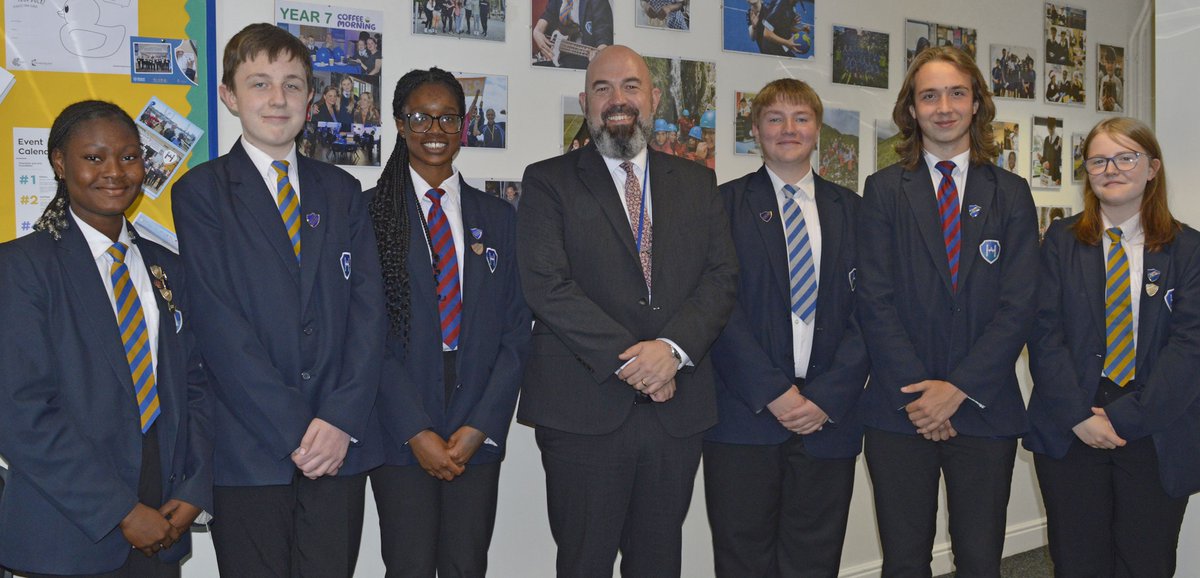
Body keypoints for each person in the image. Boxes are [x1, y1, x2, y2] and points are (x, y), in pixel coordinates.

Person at [171, 23, 387, 578]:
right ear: (229, 96)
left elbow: (369, 313)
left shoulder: (341, 191)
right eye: (260, 83)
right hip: (250, 452)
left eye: (293, 85)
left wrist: (337, 420)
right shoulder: (200, 194)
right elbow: (219, 326)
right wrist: (297, 431)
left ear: (310, 100)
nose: (277, 99)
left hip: (339, 448)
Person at [516, 45, 738, 577]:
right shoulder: (549, 181)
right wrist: (638, 363)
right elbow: (547, 287)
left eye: (631, 86)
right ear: (584, 101)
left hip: (675, 415)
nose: (618, 100)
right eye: (602, 88)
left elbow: (721, 278)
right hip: (583, 413)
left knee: (659, 562)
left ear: (654, 97)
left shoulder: (698, 183)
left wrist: (673, 352)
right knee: (584, 562)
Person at [0, 100, 211, 577]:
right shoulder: (21, 268)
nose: (115, 172)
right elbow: (21, 413)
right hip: (67, 534)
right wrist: (121, 510)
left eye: (130, 156)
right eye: (94, 158)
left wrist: (193, 490)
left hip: (162, 525)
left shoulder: (168, 268)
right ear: (59, 162)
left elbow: (195, 385)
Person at [857, 45, 1038, 576]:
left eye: (957, 93)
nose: (943, 107)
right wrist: (923, 395)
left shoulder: (1012, 193)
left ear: (976, 103)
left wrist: (956, 390)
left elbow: (1019, 305)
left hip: (984, 408)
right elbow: (874, 299)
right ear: (911, 110)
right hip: (901, 410)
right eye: (929, 95)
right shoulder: (884, 191)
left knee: (981, 559)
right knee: (905, 559)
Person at [365, 66, 530, 578]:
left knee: (466, 565)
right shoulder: (370, 213)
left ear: (465, 126)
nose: (434, 130)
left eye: (448, 119)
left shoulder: (499, 217)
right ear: (399, 123)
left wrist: (481, 424)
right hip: (399, 420)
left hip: (475, 419)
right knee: (408, 566)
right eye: (421, 117)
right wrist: (415, 430)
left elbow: (515, 332)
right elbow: (367, 335)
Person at [705, 78, 869, 577]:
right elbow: (717, 308)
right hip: (744, 415)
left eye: (801, 118)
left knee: (814, 559)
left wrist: (826, 396)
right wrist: (773, 391)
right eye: (774, 118)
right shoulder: (721, 205)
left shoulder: (856, 212)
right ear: (755, 131)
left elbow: (872, 315)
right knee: (742, 559)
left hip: (829, 417)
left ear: (818, 129)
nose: (788, 129)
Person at [1027, 117, 1200, 578]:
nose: (1112, 169)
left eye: (1127, 157)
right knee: (1077, 559)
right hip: (1072, 424)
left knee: (1147, 561)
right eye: (1099, 160)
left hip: (1155, 425)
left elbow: (1190, 346)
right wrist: (1081, 416)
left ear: (1152, 168)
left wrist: (1124, 417)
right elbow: (1044, 334)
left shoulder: (1189, 250)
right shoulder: (1060, 242)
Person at [532, 0, 613, 69]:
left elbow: (603, 31)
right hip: (559, 57)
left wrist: (601, 52)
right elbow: (548, 14)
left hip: (584, 61)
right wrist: (537, 31)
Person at [1041, 117, 1063, 185]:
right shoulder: (1046, 139)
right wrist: (1041, 160)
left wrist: (1060, 178)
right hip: (1046, 174)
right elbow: (1044, 157)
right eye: (1048, 128)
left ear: (1055, 126)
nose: (1050, 130)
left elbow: (1061, 160)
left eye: (1051, 128)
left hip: (1056, 176)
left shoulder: (1060, 140)